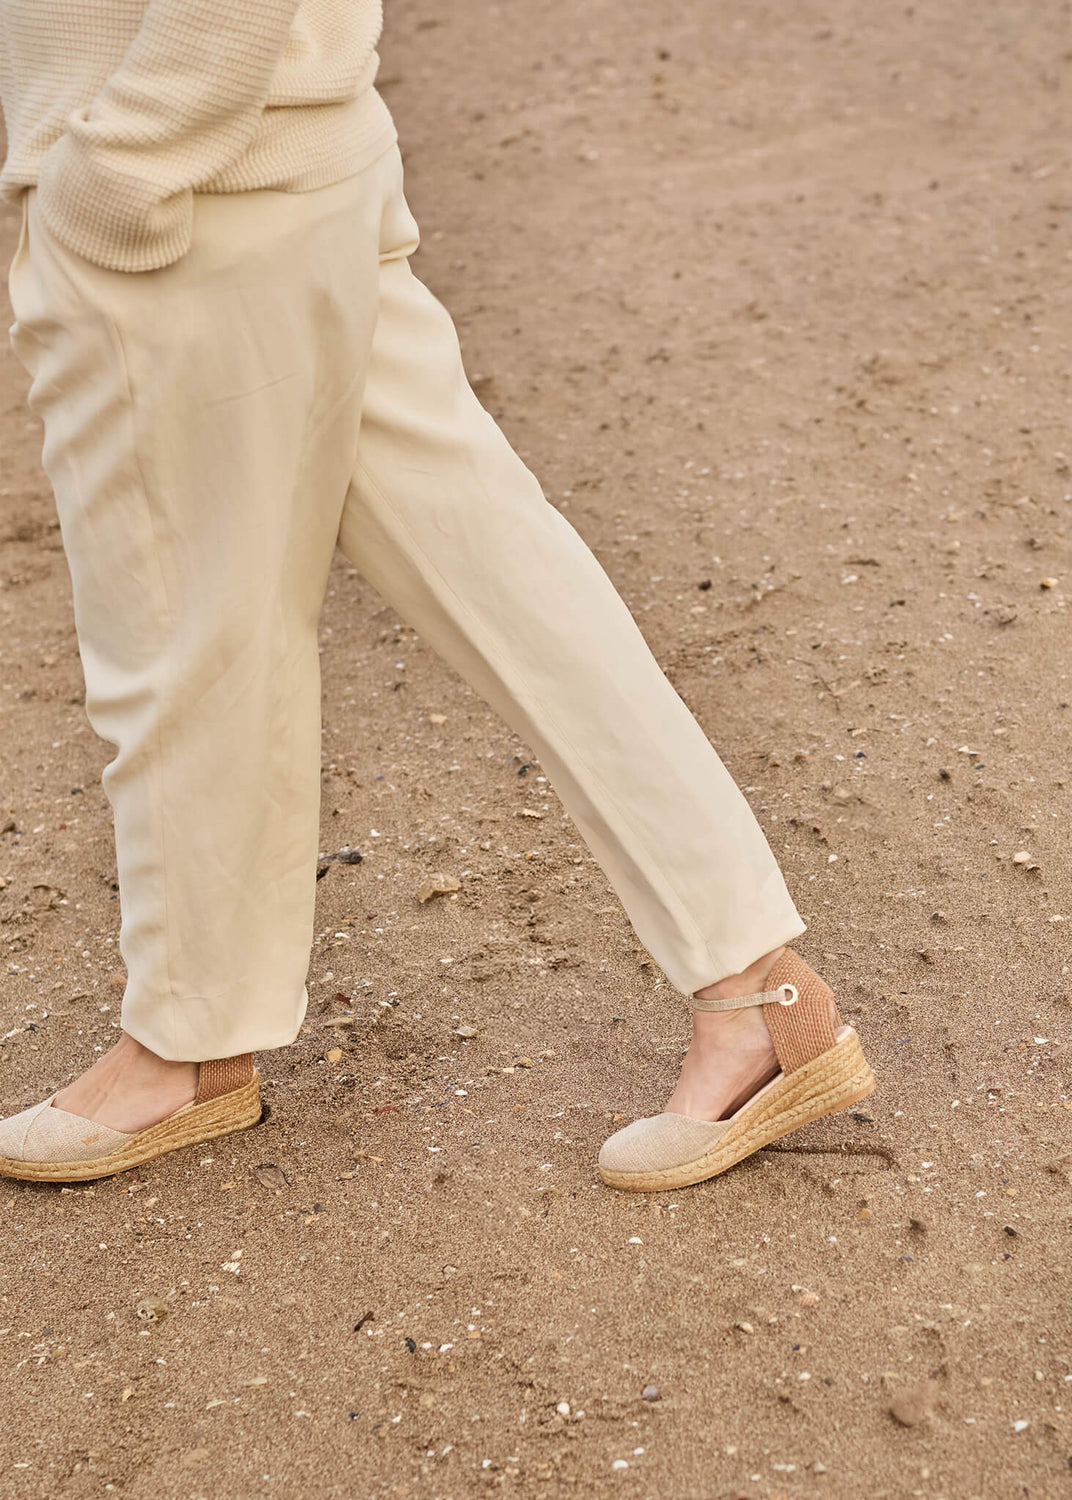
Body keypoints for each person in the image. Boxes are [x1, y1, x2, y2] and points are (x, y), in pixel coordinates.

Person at [0, 0, 874, 1188]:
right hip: (296, 159)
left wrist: (117, 169)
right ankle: (755, 988)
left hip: (189, 200)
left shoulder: (149, 173)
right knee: (508, 580)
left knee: (183, 640)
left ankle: (185, 1048)